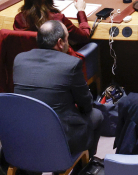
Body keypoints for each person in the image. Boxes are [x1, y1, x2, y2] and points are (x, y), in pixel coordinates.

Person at [12, 20, 101, 160]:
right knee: (96, 116)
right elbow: (86, 104)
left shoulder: (19, 59)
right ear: (60, 42)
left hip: (25, 133)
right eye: (67, 39)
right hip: (58, 137)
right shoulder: (71, 64)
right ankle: (81, 171)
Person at [13, 0, 91, 53]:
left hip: (30, 62)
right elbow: (85, 36)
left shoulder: (19, 19)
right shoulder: (58, 19)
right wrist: (81, 11)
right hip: (58, 62)